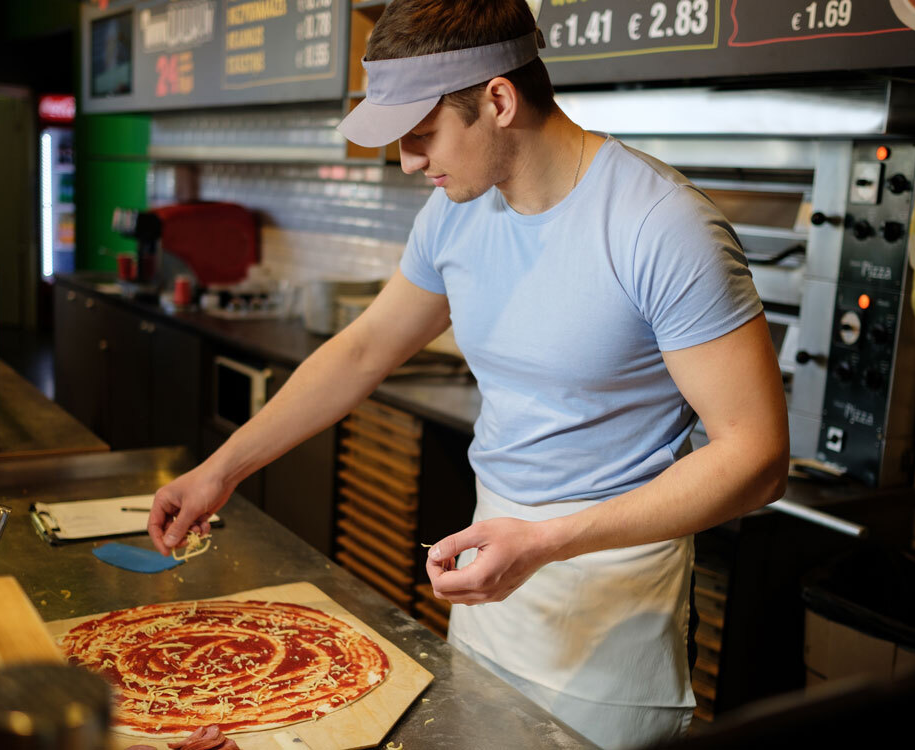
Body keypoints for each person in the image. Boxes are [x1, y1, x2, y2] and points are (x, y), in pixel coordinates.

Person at [147, 1, 789, 747]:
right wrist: (221, 472)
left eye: (421, 135)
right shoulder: (457, 212)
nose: (409, 162)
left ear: (498, 100)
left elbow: (757, 456)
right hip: (492, 585)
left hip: (611, 614)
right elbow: (362, 351)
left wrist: (545, 542)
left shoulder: (661, 227)